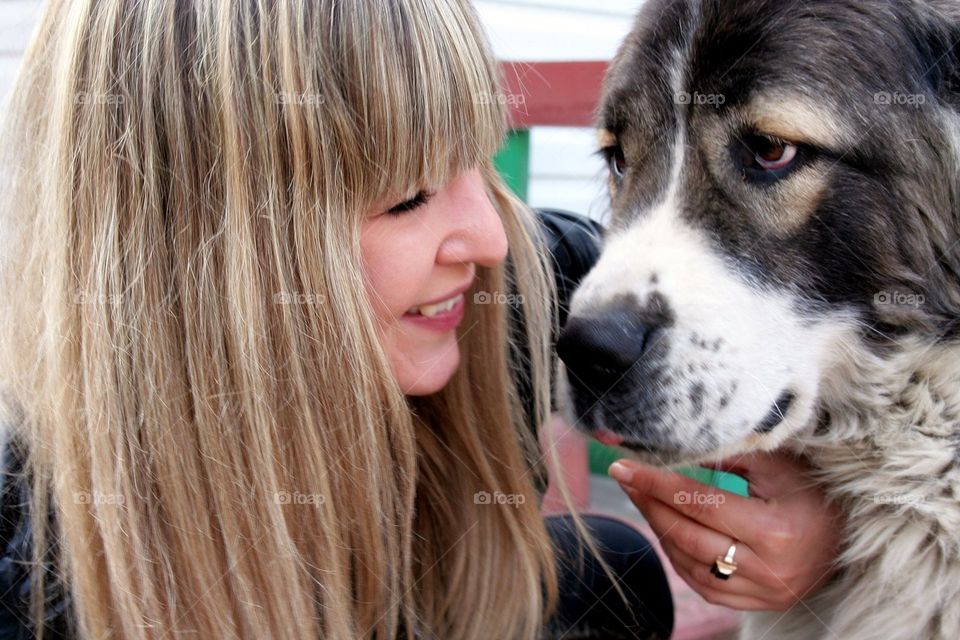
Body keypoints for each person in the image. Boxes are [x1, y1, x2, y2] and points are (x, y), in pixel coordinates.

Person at [0, 1, 839, 638]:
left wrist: (817, 523)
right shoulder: (32, 573)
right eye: (407, 196)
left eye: (478, 155)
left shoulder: (512, 287)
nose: (482, 237)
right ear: (201, 250)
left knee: (604, 577)